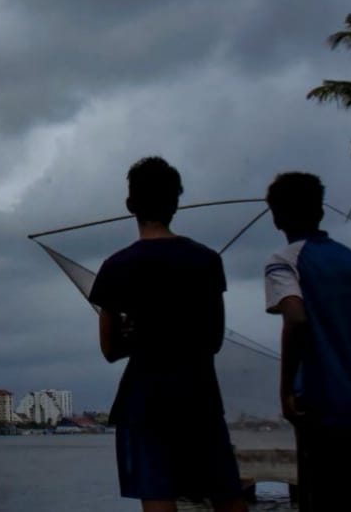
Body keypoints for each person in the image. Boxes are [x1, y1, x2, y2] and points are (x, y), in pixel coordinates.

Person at [89, 156, 246, 512]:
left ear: (130, 205)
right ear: (176, 203)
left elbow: (110, 348)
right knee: (226, 496)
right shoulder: (206, 260)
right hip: (199, 396)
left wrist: (138, 336)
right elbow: (214, 339)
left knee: (158, 499)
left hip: (143, 400)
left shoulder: (115, 267)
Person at [263, 172, 351, 512]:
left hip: (321, 413)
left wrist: (285, 391)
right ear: (321, 211)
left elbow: (295, 318)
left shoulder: (283, 262)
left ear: (276, 217)